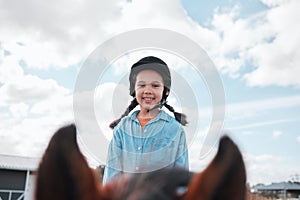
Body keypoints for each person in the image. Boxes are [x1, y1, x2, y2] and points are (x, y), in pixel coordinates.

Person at [102, 56, 189, 184]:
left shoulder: (176, 130)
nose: (148, 91)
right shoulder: (121, 128)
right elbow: (111, 178)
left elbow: (182, 181)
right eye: (141, 85)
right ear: (134, 89)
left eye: (155, 85)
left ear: (165, 91)